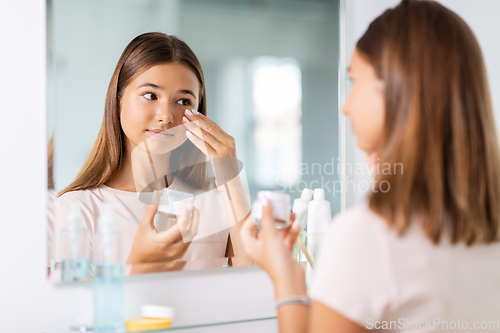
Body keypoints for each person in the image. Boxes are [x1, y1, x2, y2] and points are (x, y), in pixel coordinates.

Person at [240, 1, 500, 332]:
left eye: (354, 80)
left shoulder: (368, 237)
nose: (346, 107)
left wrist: (286, 282)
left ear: (397, 90)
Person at [54, 32, 252, 274]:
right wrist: (139, 265)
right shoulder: (77, 209)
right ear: (117, 102)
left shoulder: (216, 198)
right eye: (150, 95)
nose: (166, 115)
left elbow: (253, 285)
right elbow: (75, 311)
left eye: (184, 101)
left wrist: (231, 178)